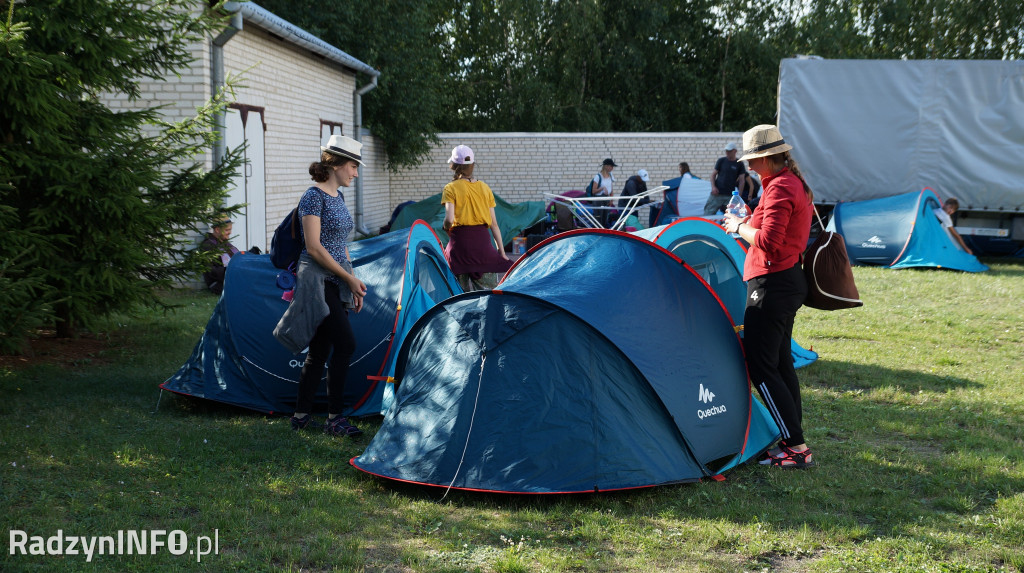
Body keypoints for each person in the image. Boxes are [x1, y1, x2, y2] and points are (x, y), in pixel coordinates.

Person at [722, 124, 815, 469]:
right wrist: (750, 220)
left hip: (771, 284)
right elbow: (774, 230)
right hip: (784, 281)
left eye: (751, 159)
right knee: (779, 362)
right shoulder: (787, 183)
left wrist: (737, 227)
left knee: (761, 365)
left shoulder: (780, 188)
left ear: (766, 157)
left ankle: (796, 447)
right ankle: (794, 440)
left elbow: (769, 242)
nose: (747, 165)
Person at [275, 134, 368, 437]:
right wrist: (347, 278)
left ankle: (301, 416)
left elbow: (341, 245)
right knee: (346, 344)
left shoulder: (338, 197)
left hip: (337, 281)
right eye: (354, 166)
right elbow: (314, 247)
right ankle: (335, 419)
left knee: (321, 349)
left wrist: (352, 283)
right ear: (338, 164)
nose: (356, 173)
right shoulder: (312, 197)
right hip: (317, 281)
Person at [442, 144, 512, 292]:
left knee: (459, 297)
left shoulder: (450, 188)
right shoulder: (485, 188)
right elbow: (494, 224)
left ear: (454, 166)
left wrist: (446, 227)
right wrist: (501, 252)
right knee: (489, 296)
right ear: (472, 165)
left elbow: (449, 219)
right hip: (483, 248)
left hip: (459, 249)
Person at [705, 142, 748, 215]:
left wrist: (739, 196)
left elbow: (742, 180)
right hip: (717, 193)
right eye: (726, 151)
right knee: (708, 213)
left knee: (733, 214)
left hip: (730, 195)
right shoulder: (721, 161)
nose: (727, 153)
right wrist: (713, 187)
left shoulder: (739, 163)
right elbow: (713, 175)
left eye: (729, 151)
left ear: (735, 151)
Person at [198, 219, 240, 295]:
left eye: (230, 230)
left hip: (232, 277)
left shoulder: (225, 243)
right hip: (218, 284)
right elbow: (211, 271)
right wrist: (233, 271)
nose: (230, 232)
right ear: (217, 229)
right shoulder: (208, 245)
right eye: (227, 230)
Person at [589, 158, 617, 226]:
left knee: (605, 219)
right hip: (599, 199)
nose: (612, 168)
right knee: (599, 219)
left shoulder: (610, 175)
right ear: (606, 166)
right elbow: (593, 191)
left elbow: (611, 188)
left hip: (606, 199)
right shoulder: (598, 177)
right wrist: (602, 188)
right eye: (611, 166)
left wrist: (611, 199)